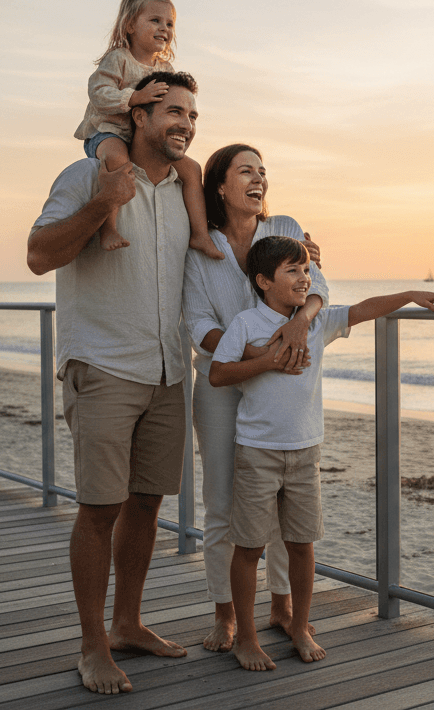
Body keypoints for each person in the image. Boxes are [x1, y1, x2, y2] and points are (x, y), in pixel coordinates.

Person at [29, 70, 201, 695]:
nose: (184, 122)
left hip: (167, 367)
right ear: (140, 114)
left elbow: (226, 246)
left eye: (191, 114)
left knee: (149, 503)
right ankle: (92, 644)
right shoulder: (85, 176)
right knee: (100, 508)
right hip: (101, 364)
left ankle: (128, 623)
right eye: (172, 110)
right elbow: (38, 253)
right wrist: (105, 203)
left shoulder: (188, 189)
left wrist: (296, 245)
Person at [210, 235, 434, 670]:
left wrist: (411, 295)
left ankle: (299, 626)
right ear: (264, 281)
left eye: (306, 270)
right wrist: (266, 361)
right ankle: (246, 638)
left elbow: (363, 309)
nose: (304, 279)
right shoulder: (246, 324)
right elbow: (218, 374)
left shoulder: (317, 324)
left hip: (305, 452)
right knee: (248, 547)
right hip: (257, 452)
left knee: (302, 544)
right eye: (293, 271)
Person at [183, 143, 327, 654]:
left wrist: (298, 329)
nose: (259, 178)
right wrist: (245, 352)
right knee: (222, 500)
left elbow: (318, 289)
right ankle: (225, 614)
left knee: (286, 504)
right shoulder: (201, 244)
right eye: (246, 171)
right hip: (223, 383)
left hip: (283, 380)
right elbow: (197, 320)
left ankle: (283, 606)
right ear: (220, 186)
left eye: (263, 171)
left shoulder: (284, 226)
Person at [73, 0, 221, 260]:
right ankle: (109, 228)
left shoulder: (164, 69)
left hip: (144, 138)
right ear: (129, 25)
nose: (164, 28)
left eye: (170, 23)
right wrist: (134, 98)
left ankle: (200, 234)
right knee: (118, 161)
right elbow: (98, 93)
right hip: (108, 131)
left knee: (191, 169)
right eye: (155, 20)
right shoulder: (118, 59)